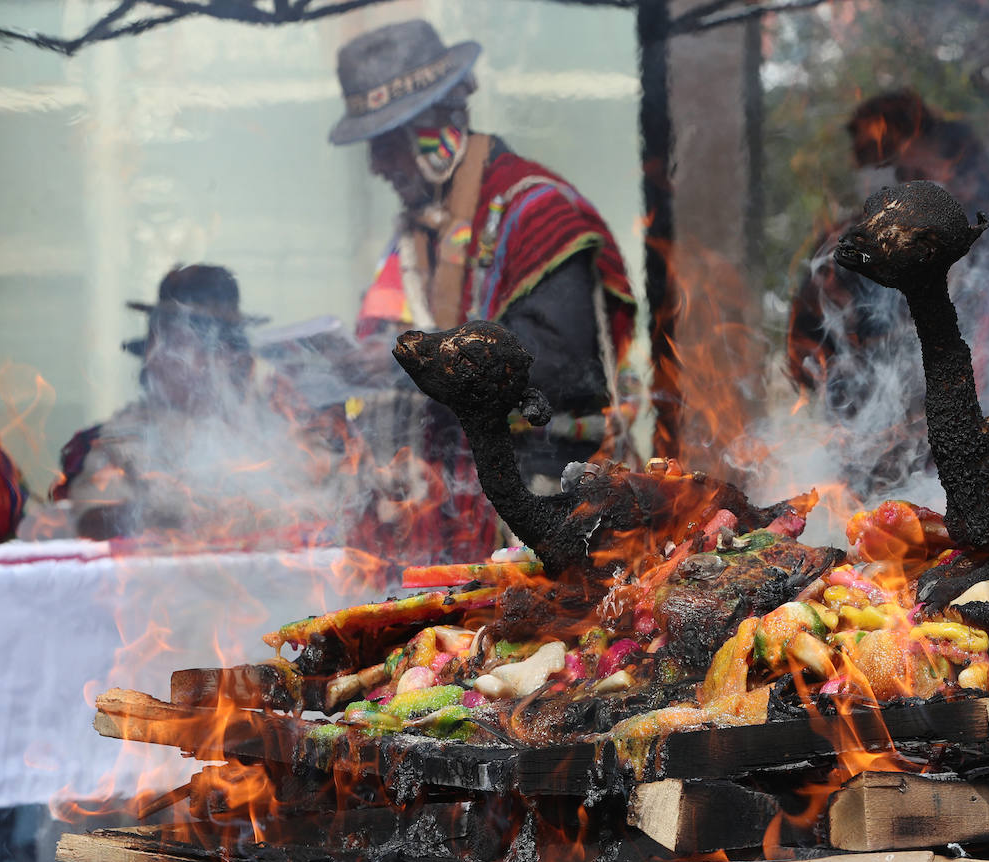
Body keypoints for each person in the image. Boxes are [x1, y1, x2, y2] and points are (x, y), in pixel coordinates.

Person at [328, 20, 639, 500]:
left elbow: (558, 366)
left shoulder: (539, 212)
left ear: (429, 133)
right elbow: (383, 333)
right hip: (455, 502)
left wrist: (409, 364)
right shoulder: (416, 234)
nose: (376, 166)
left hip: (554, 502)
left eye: (386, 144)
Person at [785, 89, 989, 497]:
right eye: (895, 174)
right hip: (881, 483)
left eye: (913, 172)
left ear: (962, 172)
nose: (901, 189)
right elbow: (810, 359)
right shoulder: (854, 254)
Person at [51, 264, 351, 543]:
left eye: (179, 345)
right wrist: (171, 510)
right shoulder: (125, 437)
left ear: (230, 358)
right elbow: (93, 519)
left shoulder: (282, 428)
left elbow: (333, 508)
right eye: (157, 345)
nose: (159, 360)